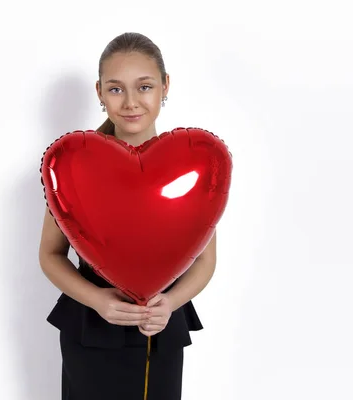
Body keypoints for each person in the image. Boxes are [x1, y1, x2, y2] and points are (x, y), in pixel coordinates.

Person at [38, 32, 218, 400]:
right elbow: (50, 255)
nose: (131, 102)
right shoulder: (75, 165)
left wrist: (172, 302)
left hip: (160, 327)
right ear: (100, 92)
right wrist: (98, 300)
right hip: (90, 329)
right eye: (116, 89)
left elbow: (205, 261)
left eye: (145, 86)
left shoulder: (191, 167)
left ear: (165, 86)